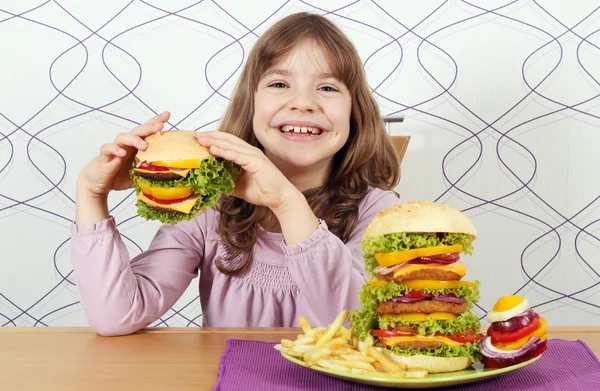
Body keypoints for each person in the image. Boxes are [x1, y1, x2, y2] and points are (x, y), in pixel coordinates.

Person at [70, 12, 402, 336]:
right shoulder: (209, 205)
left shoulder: (380, 213)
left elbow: (359, 327)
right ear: (251, 104)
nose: (303, 103)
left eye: (328, 88)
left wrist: (287, 203)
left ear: (355, 112)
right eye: (279, 83)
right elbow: (116, 316)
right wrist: (90, 194)